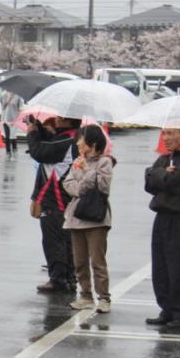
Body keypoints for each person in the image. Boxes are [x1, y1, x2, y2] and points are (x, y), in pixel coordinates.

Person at [144, 126, 180, 329]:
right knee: (160, 266)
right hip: (162, 216)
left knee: (179, 266)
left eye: (170, 133)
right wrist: (161, 173)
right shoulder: (165, 159)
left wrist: (159, 175)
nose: (165, 138)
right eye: (164, 133)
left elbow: (176, 182)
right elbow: (149, 182)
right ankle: (166, 309)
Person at [62, 124, 115, 313]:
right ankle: (85, 295)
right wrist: (82, 186)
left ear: (92, 143)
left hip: (96, 218)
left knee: (97, 261)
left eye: (81, 139)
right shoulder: (78, 161)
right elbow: (68, 184)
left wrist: (86, 172)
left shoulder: (105, 162)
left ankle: (104, 298)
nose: (77, 143)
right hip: (76, 217)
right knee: (80, 261)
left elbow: (103, 187)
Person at [27, 114, 80, 293]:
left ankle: (58, 279)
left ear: (68, 120)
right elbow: (50, 144)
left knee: (54, 239)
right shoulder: (73, 137)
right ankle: (69, 277)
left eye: (59, 117)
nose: (56, 119)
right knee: (66, 239)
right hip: (64, 197)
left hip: (56, 198)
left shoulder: (66, 141)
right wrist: (40, 128)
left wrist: (32, 132)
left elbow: (39, 152)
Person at [0, 90, 23, 159]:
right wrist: (8, 100)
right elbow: (2, 107)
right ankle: (8, 152)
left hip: (14, 119)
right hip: (5, 119)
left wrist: (20, 116)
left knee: (13, 136)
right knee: (7, 137)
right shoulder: (3, 95)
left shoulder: (18, 96)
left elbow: (20, 108)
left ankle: (14, 149)